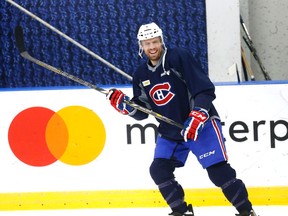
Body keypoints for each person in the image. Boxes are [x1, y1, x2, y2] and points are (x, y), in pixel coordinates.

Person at [107, 22, 257, 216]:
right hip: (171, 131)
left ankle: (246, 211)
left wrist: (198, 114)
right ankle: (181, 211)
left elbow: (204, 89)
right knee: (159, 170)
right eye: (146, 43)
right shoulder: (140, 74)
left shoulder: (179, 57)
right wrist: (126, 107)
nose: (151, 47)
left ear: (161, 41)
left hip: (200, 125)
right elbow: (143, 112)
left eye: (155, 42)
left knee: (218, 171)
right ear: (140, 46)